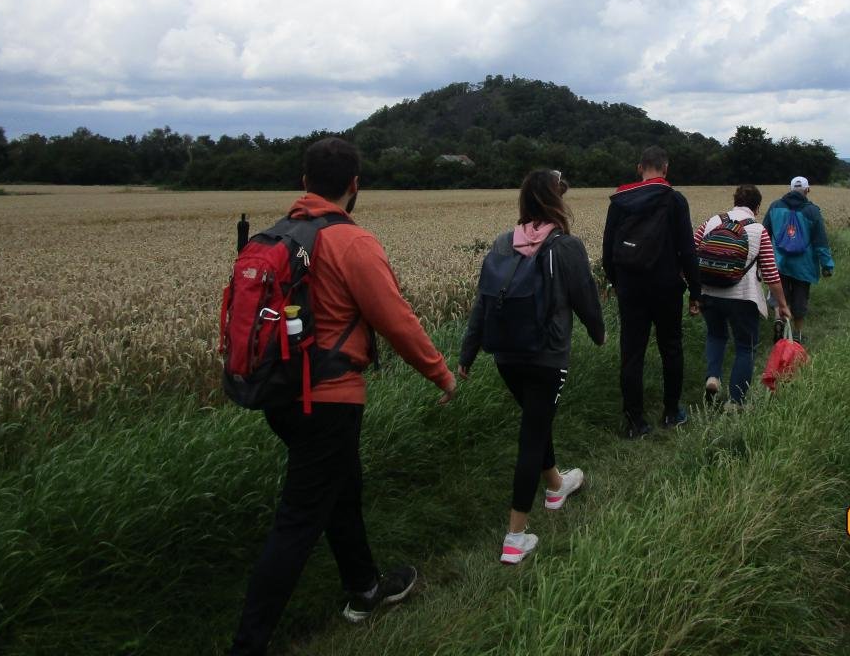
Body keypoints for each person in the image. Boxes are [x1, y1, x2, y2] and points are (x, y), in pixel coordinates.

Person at [229, 137, 457, 656]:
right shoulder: (351, 242)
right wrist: (440, 374)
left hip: (279, 395)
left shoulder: (279, 236)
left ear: (304, 182)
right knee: (299, 519)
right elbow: (395, 319)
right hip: (327, 399)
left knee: (342, 488)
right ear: (355, 185)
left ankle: (366, 587)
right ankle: (248, 644)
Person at [459, 169, 606, 564]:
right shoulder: (566, 246)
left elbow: (483, 302)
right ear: (556, 202)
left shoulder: (503, 242)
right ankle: (515, 537)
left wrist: (467, 355)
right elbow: (586, 298)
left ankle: (556, 485)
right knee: (532, 435)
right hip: (547, 356)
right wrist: (599, 334)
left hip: (506, 355)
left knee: (536, 420)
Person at [601, 145, 701, 438]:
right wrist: (696, 291)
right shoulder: (675, 200)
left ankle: (635, 422)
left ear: (639, 168)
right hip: (667, 288)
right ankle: (671, 413)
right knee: (671, 347)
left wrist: (618, 283)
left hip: (631, 288)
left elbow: (607, 252)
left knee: (632, 353)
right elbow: (687, 250)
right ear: (666, 169)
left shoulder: (620, 201)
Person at [693, 185, 791, 408]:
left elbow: (690, 254)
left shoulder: (711, 222)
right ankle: (736, 402)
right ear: (757, 207)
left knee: (715, 336)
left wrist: (694, 291)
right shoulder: (758, 230)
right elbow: (771, 273)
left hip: (709, 293)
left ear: (735, 201)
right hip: (743, 298)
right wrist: (782, 304)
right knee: (745, 347)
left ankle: (713, 377)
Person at [762, 176, 835, 339]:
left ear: (790, 189)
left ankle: (779, 320)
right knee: (800, 300)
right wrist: (827, 265)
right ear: (807, 190)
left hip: (778, 262)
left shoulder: (775, 206)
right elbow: (820, 241)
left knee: (780, 296)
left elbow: (764, 234)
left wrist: (761, 260)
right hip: (803, 266)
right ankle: (797, 336)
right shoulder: (813, 211)